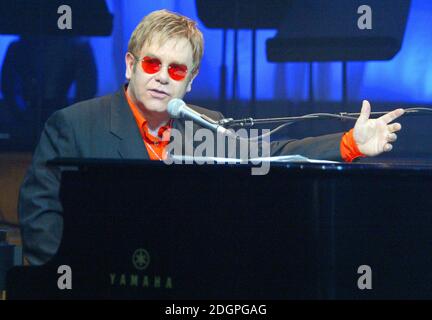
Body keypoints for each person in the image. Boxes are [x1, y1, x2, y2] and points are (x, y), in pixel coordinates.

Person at [18, 9, 404, 265]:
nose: (162, 76)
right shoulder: (72, 124)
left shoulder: (206, 124)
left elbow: (270, 155)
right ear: (130, 65)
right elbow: (40, 220)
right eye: (152, 63)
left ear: (190, 80)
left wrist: (348, 143)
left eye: (176, 69)